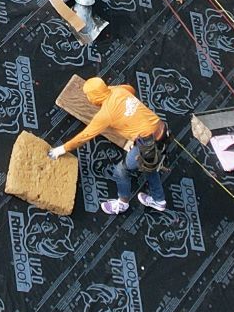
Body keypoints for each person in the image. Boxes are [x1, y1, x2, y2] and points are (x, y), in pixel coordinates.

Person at [49, 75, 169, 215]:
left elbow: (85, 136)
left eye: (88, 96)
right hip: (162, 130)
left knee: (121, 171)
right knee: (149, 165)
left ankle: (122, 204)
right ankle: (159, 200)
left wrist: (61, 149)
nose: (88, 99)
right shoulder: (119, 91)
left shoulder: (106, 114)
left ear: (95, 96)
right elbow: (131, 89)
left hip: (147, 145)